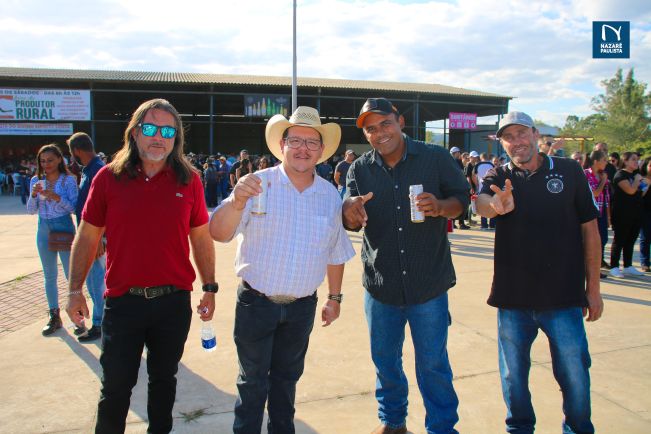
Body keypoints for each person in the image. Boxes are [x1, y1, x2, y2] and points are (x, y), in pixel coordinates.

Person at [65, 98, 218, 434]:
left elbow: (201, 238)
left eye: (168, 131)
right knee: (115, 388)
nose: (158, 137)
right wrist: (74, 291)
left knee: (164, 384)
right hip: (123, 303)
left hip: (172, 303)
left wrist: (209, 287)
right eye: (150, 128)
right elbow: (87, 236)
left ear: (176, 138)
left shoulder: (189, 180)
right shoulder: (108, 178)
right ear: (134, 133)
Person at [210, 106, 355, 434]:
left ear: (321, 150)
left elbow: (335, 251)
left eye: (312, 142)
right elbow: (218, 233)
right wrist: (236, 202)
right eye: (296, 140)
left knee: (286, 383)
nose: (304, 148)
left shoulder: (329, 195)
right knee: (252, 384)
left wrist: (334, 298)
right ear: (282, 145)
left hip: (302, 309)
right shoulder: (256, 185)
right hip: (256, 305)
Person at [343, 98, 468, 434]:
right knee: (385, 362)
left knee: (433, 365)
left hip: (428, 284)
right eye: (371, 129)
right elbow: (350, 217)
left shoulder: (434, 157)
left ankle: (442, 428)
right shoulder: (359, 169)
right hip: (381, 285)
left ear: (399, 121)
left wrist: (440, 206)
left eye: (385, 123)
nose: (379, 133)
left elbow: (462, 201)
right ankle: (393, 422)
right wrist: (349, 211)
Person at [476, 111, 603, 434]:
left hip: (563, 297)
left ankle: (577, 429)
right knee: (513, 376)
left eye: (521, 133)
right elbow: (481, 202)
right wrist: (495, 206)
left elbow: (590, 230)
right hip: (513, 299)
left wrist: (593, 289)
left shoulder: (569, 170)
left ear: (535, 135)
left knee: (574, 372)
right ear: (502, 143)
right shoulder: (499, 176)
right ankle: (519, 428)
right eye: (508, 137)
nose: (516, 142)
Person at [27, 144, 79, 336]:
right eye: (42, 161)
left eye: (50, 160)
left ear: (59, 159)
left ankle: (77, 315)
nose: (46, 164)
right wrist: (34, 195)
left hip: (63, 226)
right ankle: (54, 315)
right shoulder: (36, 180)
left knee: (70, 275)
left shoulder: (68, 180)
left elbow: (74, 208)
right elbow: (31, 210)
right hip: (44, 228)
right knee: (49, 275)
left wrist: (56, 197)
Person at [67, 132, 106, 341]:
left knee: (98, 284)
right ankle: (99, 320)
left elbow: (105, 206)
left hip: (96, 238)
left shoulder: (97, 170)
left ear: (76, 151)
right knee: (92, 283)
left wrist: (98, 237)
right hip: (89, 236)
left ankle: (100, 323)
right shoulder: (88, 170)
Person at [609, 151, 645, 277]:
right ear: (625, 161)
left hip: (636, 212)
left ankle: (628, 266)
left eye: (637, 159)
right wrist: (636, 181)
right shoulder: (620, 174)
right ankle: (614, 266)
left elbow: (640, 192)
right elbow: (630, 190)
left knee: (631, 239)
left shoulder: (635, 175)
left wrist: (644, 185)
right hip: (622, 213)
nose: (636, 162)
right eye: (633, 159)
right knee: (619, 240)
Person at [583, 150, 611, 274]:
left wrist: (608, 216)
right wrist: (603, 181)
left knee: (602, 240)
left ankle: (596, 268)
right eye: (604, 160)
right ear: (595, 161)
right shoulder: (586, 174)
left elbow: (606, 197)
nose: (606, 162)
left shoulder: (602, 175)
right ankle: (588, 269)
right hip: (590, 213)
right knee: (590, 242)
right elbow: (594, 193)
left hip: (601, 212)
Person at [473, 152, 495, 230]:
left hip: (481, 187)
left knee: (482, 205)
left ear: (481, 158)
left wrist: (477, 184)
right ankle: (492, 225)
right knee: (492, 205)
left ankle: (484, 225)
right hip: (491, 187)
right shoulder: (491, 165)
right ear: (487, 157)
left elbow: (474, 176)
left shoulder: (478, 165)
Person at [639, 157, 651, 272]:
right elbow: (640, 195)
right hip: (645, 211)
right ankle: (645, 262)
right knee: (645, 237)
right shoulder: (642, 179)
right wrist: (647, 185)